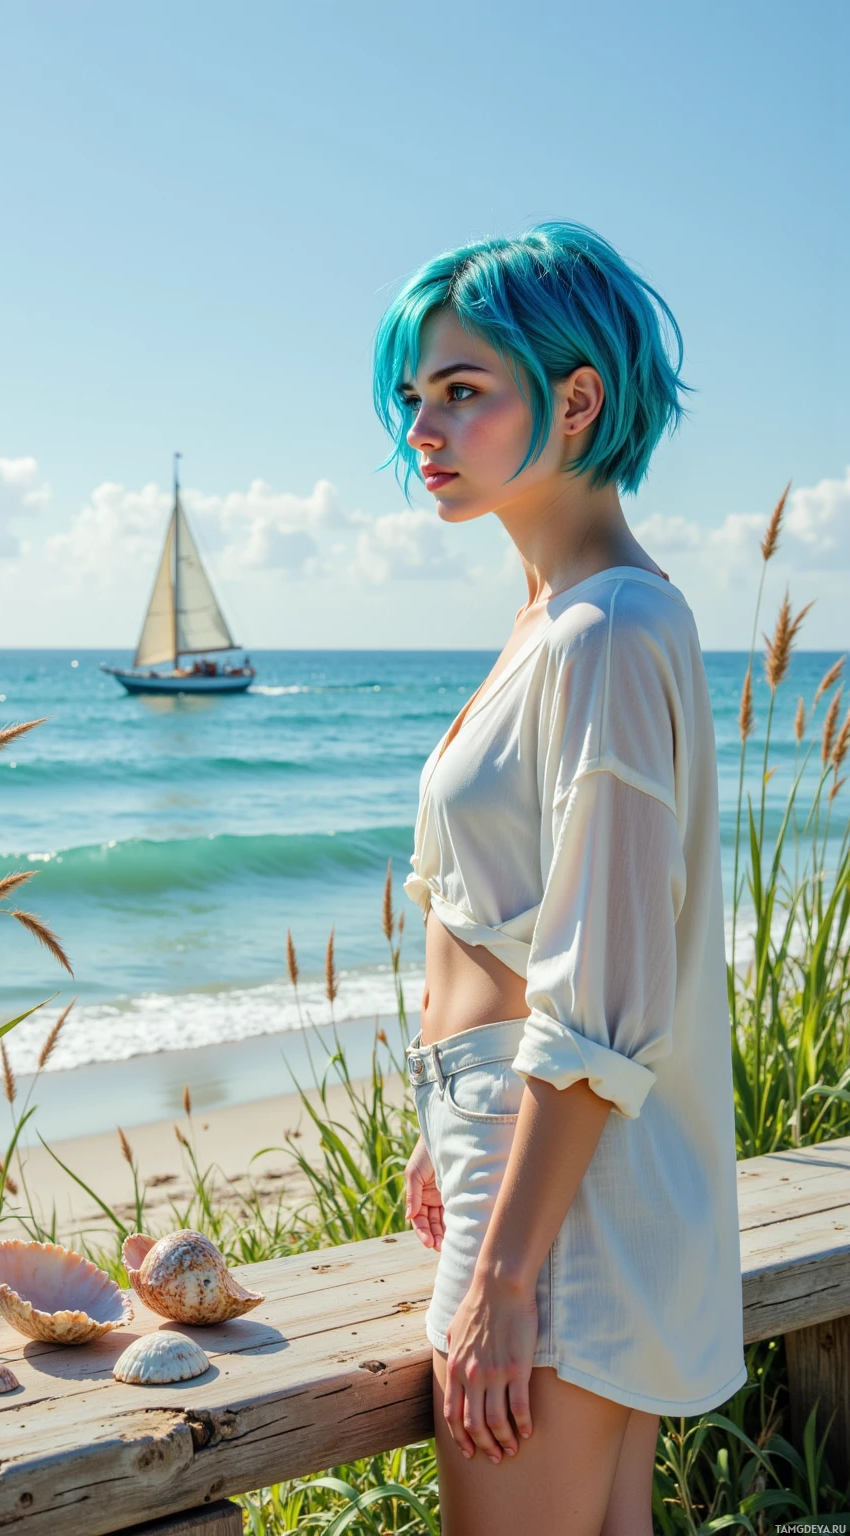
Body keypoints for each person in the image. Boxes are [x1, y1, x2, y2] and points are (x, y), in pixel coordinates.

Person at [372, 222, 746, 1536]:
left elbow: (600, 993)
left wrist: (508, 1270)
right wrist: (447, 1133)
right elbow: (518, 925)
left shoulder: (604, 629)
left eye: (465, 390)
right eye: (416, 397)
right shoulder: (566, 617)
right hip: (531, 1167)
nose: (425, 425)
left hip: (559, 1208)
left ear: (578, 398)